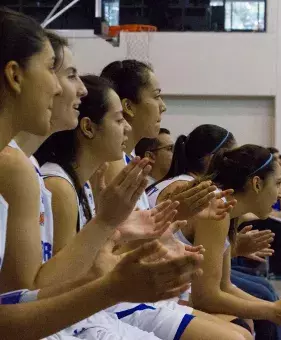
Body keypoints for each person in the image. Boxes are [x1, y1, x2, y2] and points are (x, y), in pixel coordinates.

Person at [0, 17, 202, 339]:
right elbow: (24, 304)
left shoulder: (29, 170)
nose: (74, 88)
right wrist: (108, 275)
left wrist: (114, 237)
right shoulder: (38, 176)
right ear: (14, 75)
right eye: (60, 72)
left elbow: (22, 297)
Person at [36, 74, 252, 340]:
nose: (125, 128)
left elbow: (97, 255)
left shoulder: (88, 176)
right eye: (118, 120)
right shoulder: (62, 183)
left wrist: (152, 234)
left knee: (241, 331)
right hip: (93, 310)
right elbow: (50, 285)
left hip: (99, 306)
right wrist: (124, 238)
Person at [148, 130, 281, 340]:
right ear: (257, 183)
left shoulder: (225, 207)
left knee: (262, 312)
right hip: (154, 298)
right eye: (277, 183)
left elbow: (224, 286)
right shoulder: (216, 206)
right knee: (249, 325)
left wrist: (275, 309)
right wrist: (273, 311)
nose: (280, 194)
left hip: (172, 293)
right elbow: (205, 297)